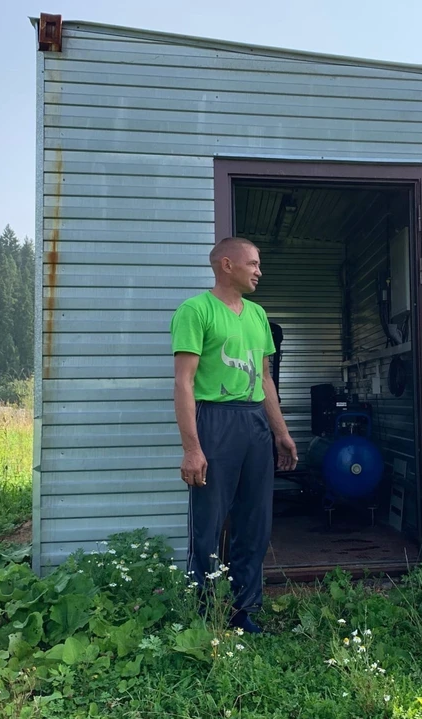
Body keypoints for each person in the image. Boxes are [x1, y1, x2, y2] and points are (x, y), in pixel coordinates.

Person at [170, 236, 298, 634]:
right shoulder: (196, 310)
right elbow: (184, 382)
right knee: (208, 521)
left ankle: (244, 610)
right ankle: (204, 611)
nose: (259, 271)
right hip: (215, 421)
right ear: (226, 265)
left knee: (255, 520)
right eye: (253, 264)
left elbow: (265, 378)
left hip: (254, 421)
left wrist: (281, 432)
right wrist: (192, 447)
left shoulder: (258, 315)